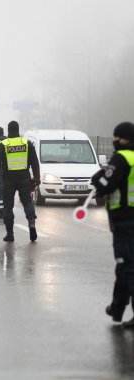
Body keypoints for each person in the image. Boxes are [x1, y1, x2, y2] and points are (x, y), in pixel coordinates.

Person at [91, 122, 134, 327]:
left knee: (126, 267)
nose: (115, 141)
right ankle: (117, 309)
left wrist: (97, 177)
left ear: (124, 139)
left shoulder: (122, 158)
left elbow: (106, 184)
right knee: (128, 267)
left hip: (125, 221)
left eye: (117, 138)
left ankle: (118, 308)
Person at [0, 120, 41, 242]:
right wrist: (37, 178)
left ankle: (10, 234)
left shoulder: (4, 144)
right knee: (27, 202)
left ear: (8, 130)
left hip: (8, 180)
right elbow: (35, 161)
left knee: (8, 206)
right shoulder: (26, 143)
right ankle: (31, 222)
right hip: (24, 178)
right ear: (18, 130)